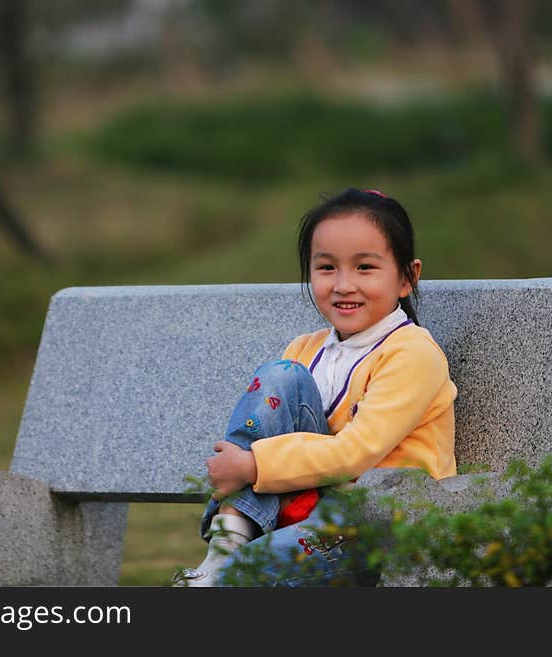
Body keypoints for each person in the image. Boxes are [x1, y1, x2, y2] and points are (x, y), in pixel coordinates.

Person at [172, 187, 458, 587]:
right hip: (306, 509)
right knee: (280, 375)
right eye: (327, 268)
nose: (343, 285)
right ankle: (228, 538)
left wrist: (252, 466)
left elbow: (355, 453)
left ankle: (230, 561)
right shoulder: (303, 350)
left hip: (378, 523)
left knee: (250, 573)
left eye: (365, 268)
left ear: (407, 278)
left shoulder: (412, 353)